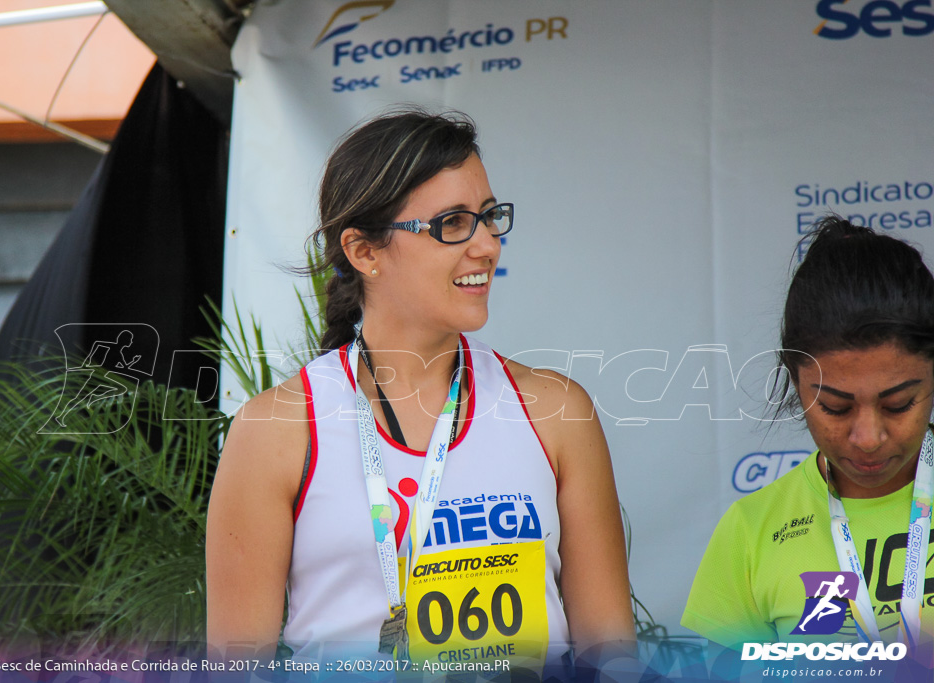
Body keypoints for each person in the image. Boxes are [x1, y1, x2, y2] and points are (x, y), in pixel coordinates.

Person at [206, 109, 635, 674]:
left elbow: (611, 656)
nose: (486, 246)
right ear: (364, 252)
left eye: (488, 217)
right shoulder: (277, 430)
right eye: (452, 223)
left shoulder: (555, 410)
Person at [682, 216, 934, 667]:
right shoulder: (752, 531)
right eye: (835, 407)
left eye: (898, 404)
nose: (868, 438)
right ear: (794, 380)